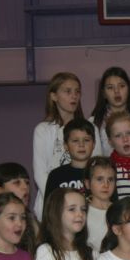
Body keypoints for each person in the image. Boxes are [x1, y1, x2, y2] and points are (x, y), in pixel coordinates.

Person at [33, 72, 101, 220]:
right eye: (68, 91)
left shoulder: (91, 128)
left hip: (87, 205)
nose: (74, 96)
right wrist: (60, 203)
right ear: (54, 96)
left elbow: (97, 167)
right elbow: (40, 174)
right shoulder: (43, 130)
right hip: (54, 203)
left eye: (77, 92)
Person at [44, 118, 96, 200]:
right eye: (75, 141)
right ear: (65, 146)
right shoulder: (56, 176)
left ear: (94, 144)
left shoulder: (102, 173)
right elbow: (49, 207)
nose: (81, 145)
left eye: (86, 140)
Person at [90, 66, 130, 155]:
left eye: (121, 86)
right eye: (110, 87)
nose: (116, 91)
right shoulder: (94, 122)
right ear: (104, 93)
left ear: (129, 89)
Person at [84, 156, 116, 252]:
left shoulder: (120, 210)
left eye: (110, 179)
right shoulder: (83, 212)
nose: (106, 185)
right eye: (99, 179)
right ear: (87, 184)